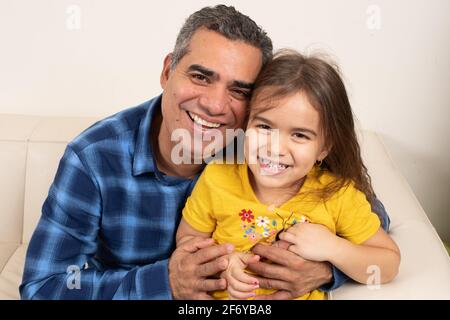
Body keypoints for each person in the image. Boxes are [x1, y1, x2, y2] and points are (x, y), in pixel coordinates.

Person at [20, 5, 390, 300]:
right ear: (168, 71)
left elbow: (369, 224)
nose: (214, 105)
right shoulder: (95, 158)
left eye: (239, 90)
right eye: (200, 76)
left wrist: (325, 269)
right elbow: (45, 287)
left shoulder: (263, 147)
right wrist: (164, 282)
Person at [176, 50, 400, 300]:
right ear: (246, 125)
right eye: (264, 127)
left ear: (324, 148)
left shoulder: (338, 196)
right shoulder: (216, 179)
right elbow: (188, 238)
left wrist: (334, 248)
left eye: (300, 135)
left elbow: (388, 264)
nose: (275, 148)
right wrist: (222, 263)